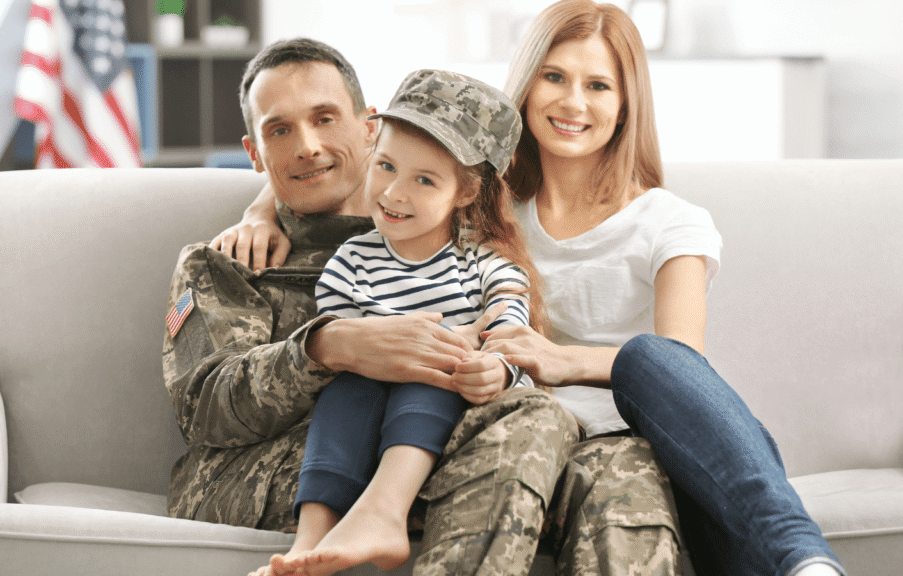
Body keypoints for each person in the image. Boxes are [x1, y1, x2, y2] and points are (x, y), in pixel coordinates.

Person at [214, 3, 848, 576]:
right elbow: (360, 163)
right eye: (555, 77)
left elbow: (684, 368)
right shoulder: (481, 205)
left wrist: (561, 359)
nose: (574, 102)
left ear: (626, 104)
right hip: (508, 420)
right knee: (534, 432)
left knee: (647, 391)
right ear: (525, 85)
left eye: (598, 85)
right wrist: (261, 210)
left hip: (625, 429)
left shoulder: (669, 222)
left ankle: (800, 557)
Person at [163, 37, 577, 576]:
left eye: (324, 118)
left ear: (367, 127)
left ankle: (388, 513)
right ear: (254, 154)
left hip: (434, 439)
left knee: (555, 429)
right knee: (524, 436)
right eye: (279, 130)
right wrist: (329, 347)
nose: (307, 146)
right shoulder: (226, 263)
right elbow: (204, 408)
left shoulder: (448, 240)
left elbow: (509, 330)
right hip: (281, 473)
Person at [252, 68, 549, 576]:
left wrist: (497, 369)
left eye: (424, 179)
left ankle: (385, 511)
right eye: (386, 166)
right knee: (346, 390)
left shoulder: (483, 265)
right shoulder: (353, 259)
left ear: (464, 191)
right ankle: (312, 535)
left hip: (445, 397)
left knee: (434, 368)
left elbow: (511, 334)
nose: (394, 193)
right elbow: (346, 334)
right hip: (365, 395)